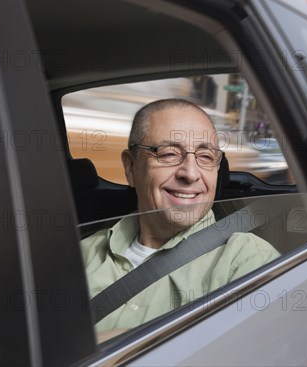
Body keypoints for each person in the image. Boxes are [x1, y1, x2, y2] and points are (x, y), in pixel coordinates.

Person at [81, 98, 280, 339]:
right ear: (131, 167)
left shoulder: (245, 259)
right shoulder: (80, 255)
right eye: (169, 153)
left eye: (206, 157)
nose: (190, 173)